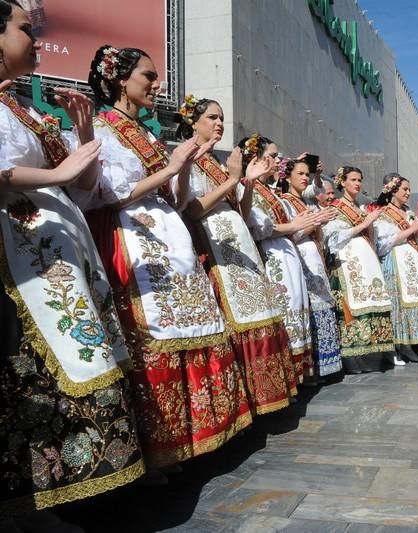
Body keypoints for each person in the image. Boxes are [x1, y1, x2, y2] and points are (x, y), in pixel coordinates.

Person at [0, 4, 144, 524]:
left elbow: (82, 186)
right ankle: (31, 497)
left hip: (61, 252)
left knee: (85, 357)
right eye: (24, 29)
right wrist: (59, 172)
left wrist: (83, 139)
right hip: (21, 260)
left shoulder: (25, 109)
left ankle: (81, 487)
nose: (35, 38)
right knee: (35, 370)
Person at [87, 45, 252, 473]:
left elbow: (178, 202)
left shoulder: (148, 135)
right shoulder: (101, 129)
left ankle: (194, 437)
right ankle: (161, 447)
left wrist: (177, 170)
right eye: (148, 76)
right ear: (120, 80)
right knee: (155, 337)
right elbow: (114, 193)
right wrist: (172, 165)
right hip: (137, 239)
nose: (156, 84)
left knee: (193, 329)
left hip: (170, 236)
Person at [174, 100, 300, 414]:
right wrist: (233, 180)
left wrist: (249, 183)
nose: (219, 123)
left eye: (222, 118)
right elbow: (192, 208)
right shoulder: (183, 155)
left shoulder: (218, 162)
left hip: (238, 244)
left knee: (259, 314)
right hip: (212, 248)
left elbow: (241, 214)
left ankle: (265, 394)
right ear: (193, 122)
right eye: (212, 118)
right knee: (236, 321)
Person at [236, 136, 317, 385]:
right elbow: (256, 226)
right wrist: (294, 225)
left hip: (285, 253)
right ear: (256, 159)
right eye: (270, 156)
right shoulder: (244, 187)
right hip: (270, 256)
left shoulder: (271, 193)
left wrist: (303, 225)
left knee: (295, 306)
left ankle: (297, 374)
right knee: (284, 308)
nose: (276, 161)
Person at [322, 166, 394, 373]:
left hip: (366, 263)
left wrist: (369, 224)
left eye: (359, 180)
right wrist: (363, 225)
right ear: (342, 182)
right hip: (347, 264)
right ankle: (352, 359)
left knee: (371, 299)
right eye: (353, 179)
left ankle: (372, 356)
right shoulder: (335, 209)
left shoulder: (361, 209)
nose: (357, 183)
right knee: (352, 306)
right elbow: (332, 239)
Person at [282, 160, 343, 377]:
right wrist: (316, 222)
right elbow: (291, 234)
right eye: (300, 174)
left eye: (307, 174)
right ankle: (311, 370)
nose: (305, 178)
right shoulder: (285, 202)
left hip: (314, 257)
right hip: (301, 257)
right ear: (287, 177)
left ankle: (324, 367)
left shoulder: (303, 202)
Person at [373, 174, 418, 364]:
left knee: (412, 303)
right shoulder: (383, 213)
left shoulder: (408, 212)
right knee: (397, 305)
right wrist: (410, 229)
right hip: (395, 261)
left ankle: (408, 346)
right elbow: (382, 244)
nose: (408, 193)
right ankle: (394, 348)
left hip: (412, 261)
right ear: (393, 191)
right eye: (405, 189)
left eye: (409, 189)